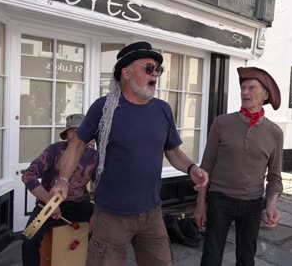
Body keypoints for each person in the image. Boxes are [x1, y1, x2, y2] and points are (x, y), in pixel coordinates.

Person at [50, 41, 209, 266]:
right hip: (111, 216)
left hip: (152, 214)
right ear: (126, 72)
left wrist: (192, 168)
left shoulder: (162, 109)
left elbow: (172, 150)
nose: (156, 74)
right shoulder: (104, 108)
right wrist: (63, 180)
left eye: (158, 70)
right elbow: (76, 145)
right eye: (148, 68)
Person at [194, 67, 284, 266]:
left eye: (252, 88)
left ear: (265, 95)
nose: (245, 92)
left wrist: (271, 204)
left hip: (252, 204)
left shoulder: (275, 133)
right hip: (219, 200)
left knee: (246, 259)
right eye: (243, 88)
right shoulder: (221, 123)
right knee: (211, 257)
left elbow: (275, 177)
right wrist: (201, 204)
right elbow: (205, 168)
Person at [21, 114, 99, 266]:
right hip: (47, 205)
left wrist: (98, 213)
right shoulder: (54, 150)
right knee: (29, 238)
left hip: (77, 203)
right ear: (69, 134)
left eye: (85, 132)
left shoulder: (94, 156)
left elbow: (103, 185)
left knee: (104, 227)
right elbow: (28, 176)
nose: (79, 137)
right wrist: (48, 200)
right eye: (75, 131)